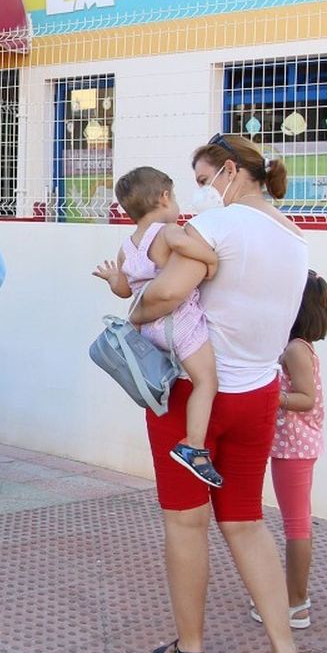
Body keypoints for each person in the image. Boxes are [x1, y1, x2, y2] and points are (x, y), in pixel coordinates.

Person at [130, 132, 310, 653]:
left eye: (205, 180)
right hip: (258, 393)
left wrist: (132, 307)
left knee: (187, 523)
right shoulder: (295, 237)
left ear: (231, 171)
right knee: (247, 521)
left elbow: (163, 295)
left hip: (192, 398)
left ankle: (191, 651)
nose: (201, 193)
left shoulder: (220, 226)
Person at [93, 167, 223, 488]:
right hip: (178, 323)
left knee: (178, 378)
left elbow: (125, 290)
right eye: (175, 196)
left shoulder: (128, 246)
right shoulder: (167, 232)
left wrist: (112, 278)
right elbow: (193, 249)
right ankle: (194, 445)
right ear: (164, 197)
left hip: (148, 330)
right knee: (206, 381)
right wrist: (212, 260)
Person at [251, 270, 327, 631]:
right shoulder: (296, 346)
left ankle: (296, 604)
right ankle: (293, 599)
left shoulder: (296, 350)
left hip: (295, 446)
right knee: (295, 522)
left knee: (297, 524)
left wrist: (271, 397)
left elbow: (306, 398)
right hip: (291, 444)